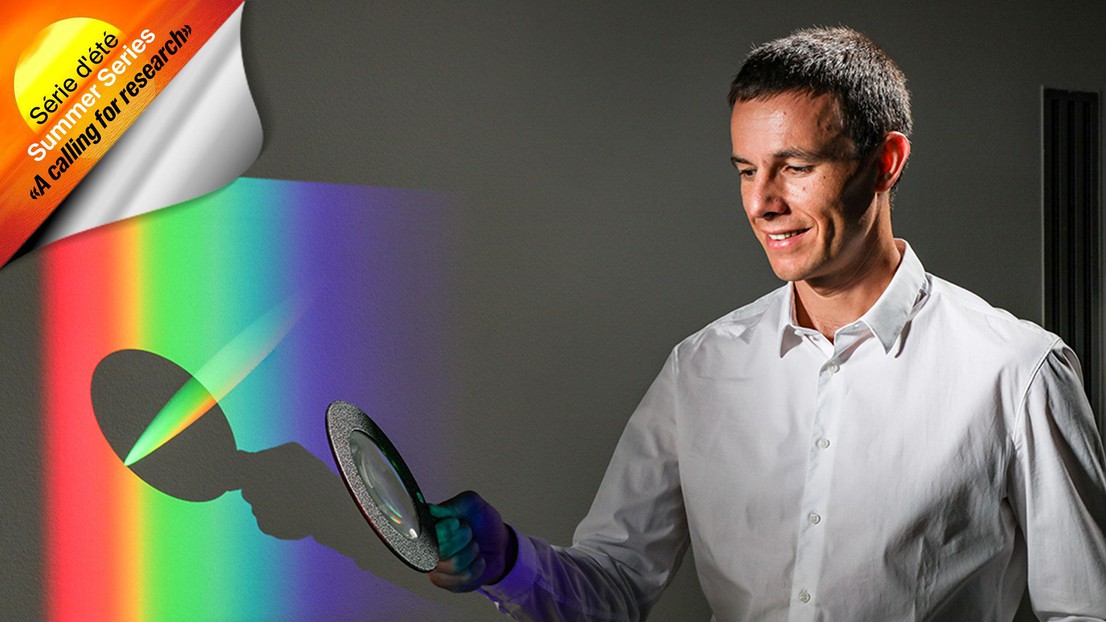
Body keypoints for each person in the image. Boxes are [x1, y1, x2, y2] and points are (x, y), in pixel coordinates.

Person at [427, 26, 1106, 620]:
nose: (761, 203)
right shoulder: (700, 368)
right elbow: (615, 587)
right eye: (747, 171)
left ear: (886, 163)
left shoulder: (1018, 372)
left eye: (796, 167)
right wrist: (507, 561)